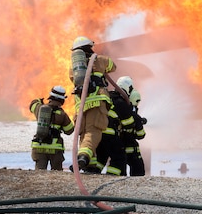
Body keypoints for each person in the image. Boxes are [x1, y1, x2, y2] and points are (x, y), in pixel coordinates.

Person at [68, 36, 116, 170]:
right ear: (89, 47)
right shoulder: (99, 60)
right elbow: (113, 66)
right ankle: (83, 158)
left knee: (83, 132)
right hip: (96, 101)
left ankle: (90, 165)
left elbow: (73, 79)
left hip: (80, 104)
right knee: (93, 131)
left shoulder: (73, 68)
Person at [29, 86, 75, 171]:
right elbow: (69, 130)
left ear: (50, 97)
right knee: (57, 174)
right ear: (62, 100)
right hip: (55, 149)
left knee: (39, 174)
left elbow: (32, 104)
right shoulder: (62, 114)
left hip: (39, 147)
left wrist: (39, 101)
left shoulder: (39, 108)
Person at [124, 89, 147, 176]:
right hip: (131, 149)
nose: (138, 104)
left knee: (119, 169)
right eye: (137, 101)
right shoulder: (133, 115)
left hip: (122, 147)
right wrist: (139, 123)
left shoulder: (124, 110)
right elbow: (141, 135)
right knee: (138, 171)